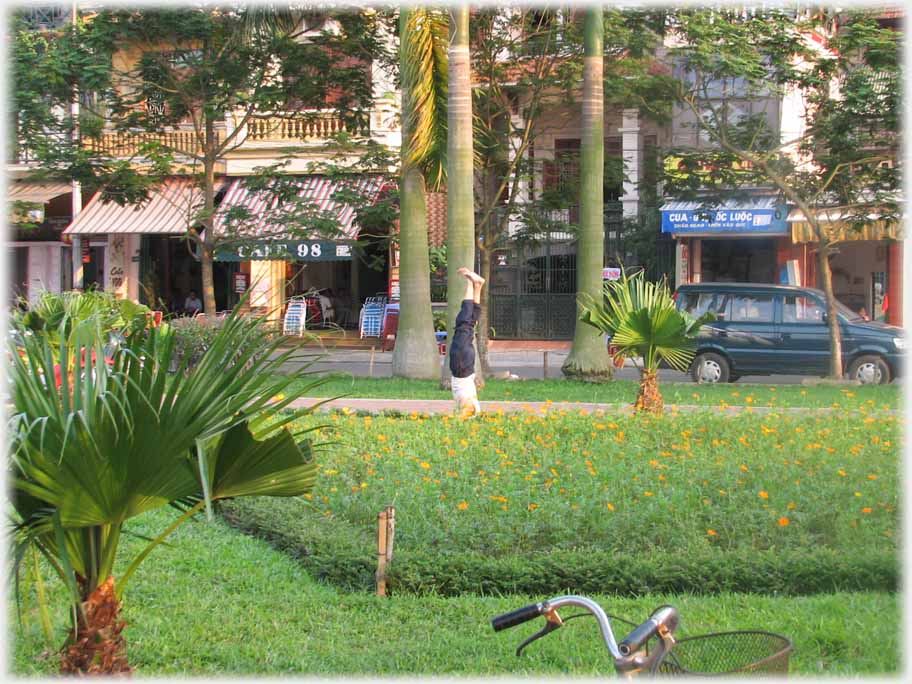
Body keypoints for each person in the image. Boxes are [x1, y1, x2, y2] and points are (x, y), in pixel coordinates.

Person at [450, 267, 485, 418]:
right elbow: (468, 409)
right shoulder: (469, 405)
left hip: (467, 366)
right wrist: (459, 419)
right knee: (463, 324)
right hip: (461, 365)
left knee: (469, 325)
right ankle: (471, 283)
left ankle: (478, 286)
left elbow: (472, 409)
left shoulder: (475, 404)